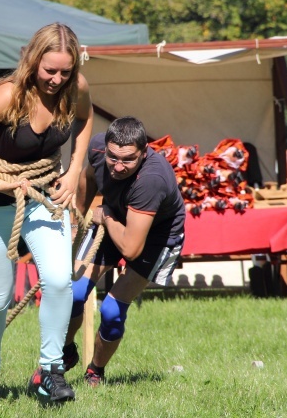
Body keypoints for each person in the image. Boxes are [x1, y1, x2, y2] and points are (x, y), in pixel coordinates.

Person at [0, 23, 93, 404]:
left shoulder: (75, 87)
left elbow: (86, 118)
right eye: (50, 71)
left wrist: (75, 169)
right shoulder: (8, 96)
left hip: (46, 197)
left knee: (60, 281)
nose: (57, 79)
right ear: (32, 60)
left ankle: (50, 373)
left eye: (65, 71)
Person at [63, 116, 185, 385]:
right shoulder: (98, 149)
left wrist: (105, 216)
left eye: (128, 159)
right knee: (73, 292)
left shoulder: (151, 179)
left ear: (143, 153)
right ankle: (66, 352)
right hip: (115, 218)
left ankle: (95, 370)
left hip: (157, 238)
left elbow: (131, 248)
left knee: (111, 311)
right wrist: (76, 221)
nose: (118, 166)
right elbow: (89, 177)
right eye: (112, 157)